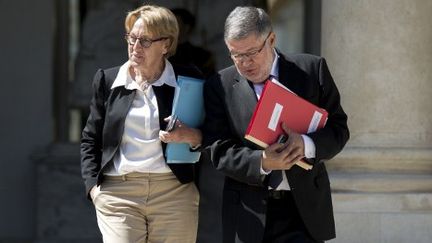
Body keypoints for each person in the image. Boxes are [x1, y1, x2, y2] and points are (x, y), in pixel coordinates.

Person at [202, 6, 349, 243]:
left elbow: (339, 130)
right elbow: (218, 149)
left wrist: (307, 145)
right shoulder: (219, 84)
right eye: (236, 55)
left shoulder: (312, 70)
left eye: (251, 52)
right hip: (248, 213)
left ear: (271, 39)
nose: (245, 63)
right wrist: (261, 162)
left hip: (304, 211)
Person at [80, 5, 203, 243]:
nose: (135, 47)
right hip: (119, 192)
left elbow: (209, 133)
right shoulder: (107, 80)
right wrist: (94, 189)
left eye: (145, 41)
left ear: (165, 45)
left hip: (173, 190)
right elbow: (90, 139)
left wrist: (192, 136)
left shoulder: (188, 80)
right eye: (131, 38)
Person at [168, 8, 216, 78]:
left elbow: (210, 82)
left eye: (174, 23)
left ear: (187, 27)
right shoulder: (160, 53)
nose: (169, 28)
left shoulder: (202, 56)